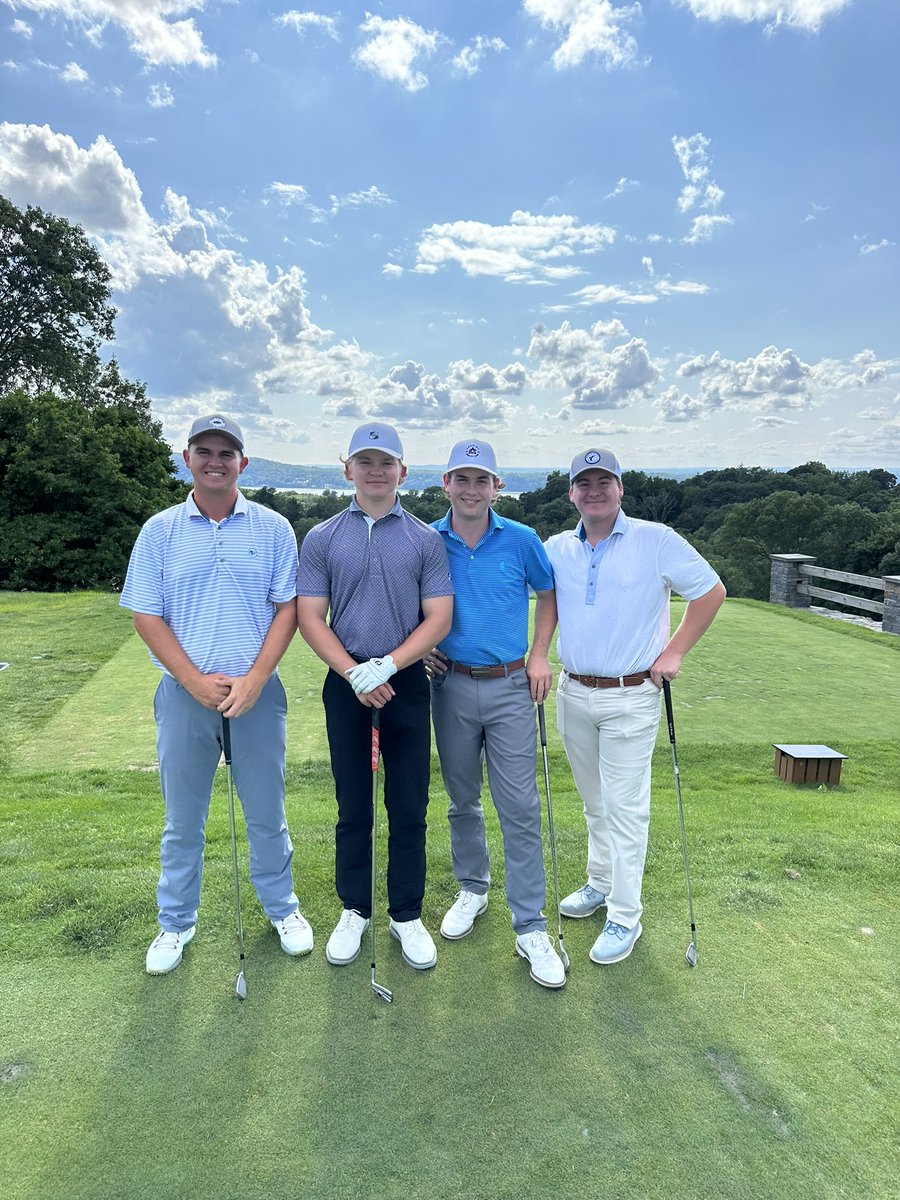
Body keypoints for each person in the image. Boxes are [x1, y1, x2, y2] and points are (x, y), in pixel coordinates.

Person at [120, 413, 312, 976]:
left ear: (242, 463)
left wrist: (253, 679)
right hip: (186, 693)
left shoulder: (274, 527)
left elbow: (287, 610)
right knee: (183, 819)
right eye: (204, 451)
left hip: (258, 692)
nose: (215, 461)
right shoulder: (160, 530)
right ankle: (175, 921)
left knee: (266, 814)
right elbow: (146, 615)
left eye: (226, 453)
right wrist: (194, 682)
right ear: (187, 458)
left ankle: (283, 910)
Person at [544, 447, 726, 965]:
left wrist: (673, 652)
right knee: (594, 802)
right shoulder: (558, 547)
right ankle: (600, 883)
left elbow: (711, 591)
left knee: (625, 808)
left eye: (604, 482)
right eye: (584, 483)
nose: (594, 491)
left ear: (620, 489)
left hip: (631, 696)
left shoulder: (656, 539)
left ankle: (626, 914)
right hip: (573, 692)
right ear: (572, 493)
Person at [296, 423, 453, 971]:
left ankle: (406, 914)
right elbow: (309, 616)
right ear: (348, 470)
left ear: (402, 472)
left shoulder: (424, 539)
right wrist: (353, 671)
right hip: (346, 684)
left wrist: (388, 664)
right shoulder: (322, 537)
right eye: (365, 461)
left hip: (406, 681)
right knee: (353, 804)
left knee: (409, 804)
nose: (375, 471)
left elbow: (438, 617)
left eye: (386, 462)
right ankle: (355, 910)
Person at [425, 440, 566, 988]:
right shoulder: (427, 539)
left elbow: (548, 594)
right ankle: (473, 889)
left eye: (482, 480)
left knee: (520, 807)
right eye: (462, 478)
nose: (471, 489)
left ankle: (530, 925)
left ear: (496, 487)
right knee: (462, 798)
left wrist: (538, 655)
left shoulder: (523, 540)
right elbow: (413, 601)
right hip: (449, 685)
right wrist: (423, 645)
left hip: (510, 685)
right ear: (446, 484)